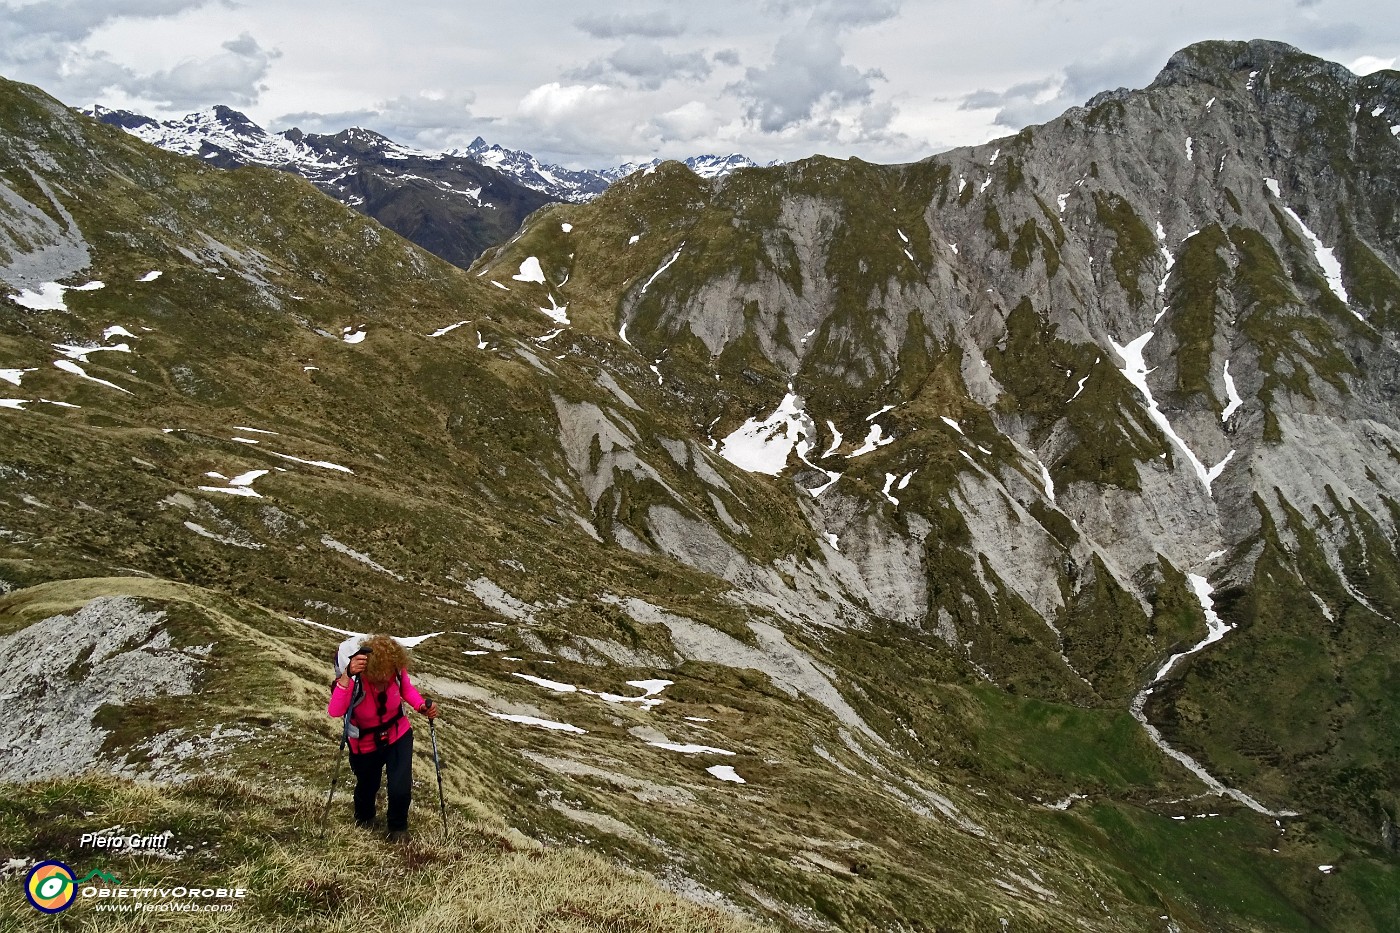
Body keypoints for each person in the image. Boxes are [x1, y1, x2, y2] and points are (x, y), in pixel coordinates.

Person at [327, 633, 438, 842]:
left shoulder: (394, 668)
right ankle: (364, 818)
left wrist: (421, 706)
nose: (388, 677)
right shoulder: (355, 680)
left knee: (400, 786)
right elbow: (335, 711)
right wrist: (346, 677)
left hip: (399, 733)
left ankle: (398, 829)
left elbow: (406, 688)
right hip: (364, 743)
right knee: (368, 785)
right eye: (383, 673)